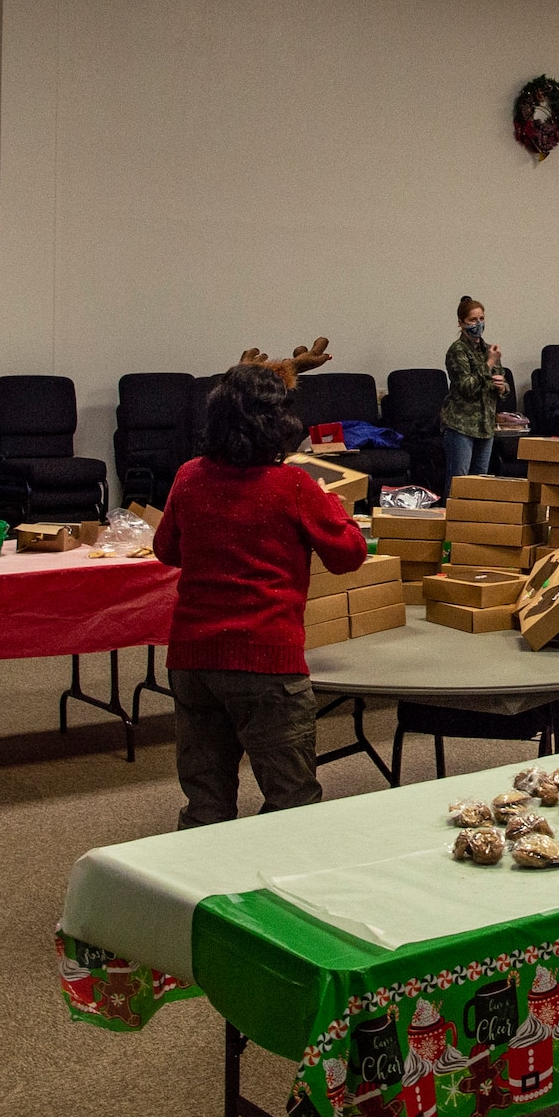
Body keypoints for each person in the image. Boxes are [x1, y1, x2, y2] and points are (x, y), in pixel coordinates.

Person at [153, 346, 368, 830]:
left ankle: (197, 896)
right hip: (265, 662)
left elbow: (167, 550)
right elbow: (349, 555)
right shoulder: (293, 486)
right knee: (289, 804)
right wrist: (338, 514)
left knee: (205, 802)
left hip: (193, 658)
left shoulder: (189, 477)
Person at [441, 295, 507, 492]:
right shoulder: (457, 350)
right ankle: (451, 521)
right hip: (461, 425)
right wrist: (489, 364)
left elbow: (503, 383)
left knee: (479, 484)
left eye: (481, 319)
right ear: (461, 323)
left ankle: (473, 523)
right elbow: (467, 386)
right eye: (472, 320)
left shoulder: (488, 349)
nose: (478, 324)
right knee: (459, 483)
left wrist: (502, 386)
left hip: (485, 426)